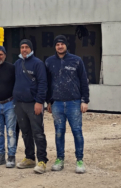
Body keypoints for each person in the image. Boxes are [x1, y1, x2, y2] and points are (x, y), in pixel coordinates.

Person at [45, 35, 89, 174]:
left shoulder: (76, 60)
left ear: (66, 45)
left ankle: (80, 160)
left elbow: (84, 80)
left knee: (77, 131)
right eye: (57, 44)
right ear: (55, 46)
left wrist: (85, 100)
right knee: (59, 132)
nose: (60, 46)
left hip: (74, 102)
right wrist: (49, 101)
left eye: (62, 44)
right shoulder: (49, 62)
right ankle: (60, 159)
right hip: (57, 103)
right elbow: (47, 83)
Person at [14, 39, 48, 174]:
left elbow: (43, 83)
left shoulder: (38, 63)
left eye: (26, 47)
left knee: (38, 132)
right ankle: (29, 158)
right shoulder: (17, 63)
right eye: (22, 47)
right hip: (19, 104)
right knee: (25, 132)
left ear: (31, 49)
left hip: (33, 104)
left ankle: (42, 160)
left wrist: (39, 102)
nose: (24, 49)